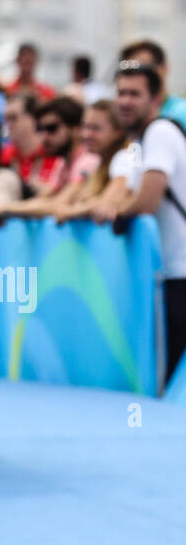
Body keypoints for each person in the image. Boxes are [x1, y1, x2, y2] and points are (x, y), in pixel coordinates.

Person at [107, 61, 186, 384]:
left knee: (168, 383)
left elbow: (147, 201)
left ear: (156, 99)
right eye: (121, 93)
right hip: (168, 277)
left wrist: (117, 210)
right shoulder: (139, 144)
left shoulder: (161, 132)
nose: (125, 101)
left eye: (134, 94)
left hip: (181, 275)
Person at [118, 40, 186, 130]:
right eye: (130, 70)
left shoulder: (182, 113)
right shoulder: (122, 117)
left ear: (164, 68)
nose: (136, 77)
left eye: (145, 68)